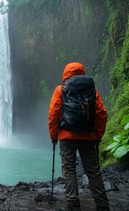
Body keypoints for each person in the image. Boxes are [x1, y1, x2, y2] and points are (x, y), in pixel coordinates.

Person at [48, 62, 109, 211]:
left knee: (69, 170)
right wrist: (98, 135)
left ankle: (73, 204)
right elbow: (101, 113)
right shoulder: (91, 91)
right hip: (88, 136)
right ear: (82, 73)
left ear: (66, 74)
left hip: (66, 137)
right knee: (93, 171)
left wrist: (54, 136)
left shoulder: (61, 90)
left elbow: (53, 114)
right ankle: (102, 205)